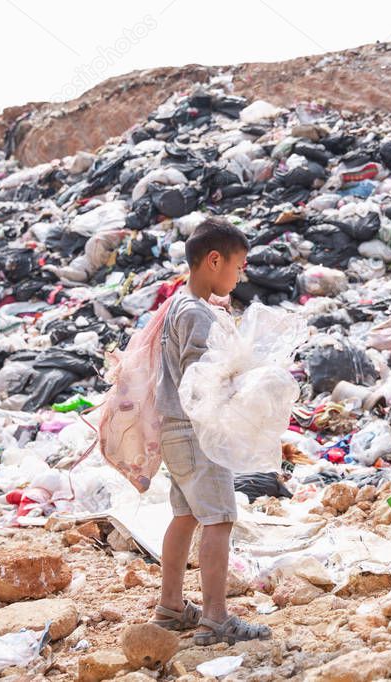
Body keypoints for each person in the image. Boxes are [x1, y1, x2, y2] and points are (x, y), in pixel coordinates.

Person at [149, 217, 272, 645]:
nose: (240, 277)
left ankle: (170, 607)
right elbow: (199, 380)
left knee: (185, 516)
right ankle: (216, 618)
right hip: (199, 431)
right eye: (238, 266)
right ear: (213, 260)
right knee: (219, 520)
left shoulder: (177, 307)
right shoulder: (197, 314)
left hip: (174, 430)